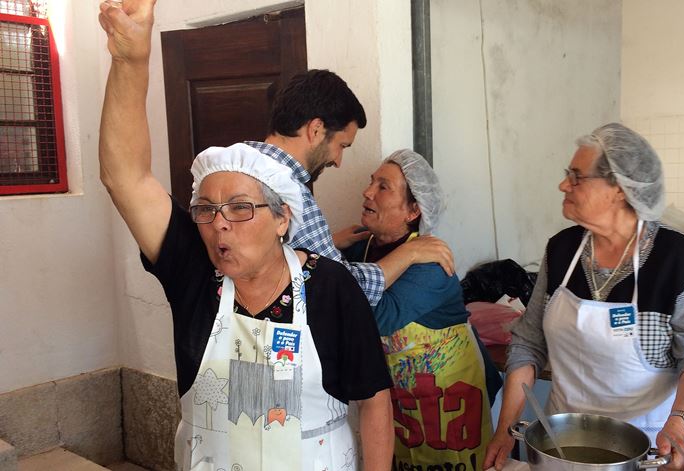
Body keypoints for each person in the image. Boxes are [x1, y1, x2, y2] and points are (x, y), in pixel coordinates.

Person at [98, 2, 393, 470]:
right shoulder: (195, 275)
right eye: (207, 209)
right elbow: (125, 177)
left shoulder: (331, 287)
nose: (220, 223)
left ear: (282, 220)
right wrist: (130, 60)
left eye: (240, 208)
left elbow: (375, 402)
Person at [483, 123, 684, 471]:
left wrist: (679, 426)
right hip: (566, 444)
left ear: (619, 189)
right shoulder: (562, 250)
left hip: (656, 445)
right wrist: (506, 428)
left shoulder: (680, 260)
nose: (563, 184)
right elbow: (527, 343)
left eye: (576, 177)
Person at [338, 150, 503, 470]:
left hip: (450, 401)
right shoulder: (361, 247)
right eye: (371, 181)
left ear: (413, 210)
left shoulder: (432, 265)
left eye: (383, 186)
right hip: (399, 403)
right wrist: (331, 245)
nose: (367, 191)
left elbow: (373, 319)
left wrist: (412, 254)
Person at [246, 72, 454, 308]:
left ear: (414, 211)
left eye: (383, 187)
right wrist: (410, 253)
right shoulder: (292, 196)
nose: (337, 161)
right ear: (315, 129)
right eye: (341, 146)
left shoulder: (233, 167)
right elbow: (344, 291)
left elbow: (274, 258)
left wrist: (327, 244)